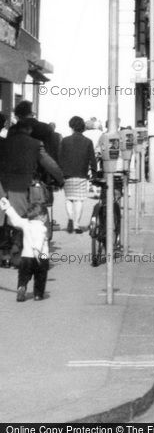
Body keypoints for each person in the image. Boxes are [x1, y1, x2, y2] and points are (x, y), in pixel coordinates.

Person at [0, 120, 64, 266]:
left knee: (3, 219)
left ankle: (4, 254)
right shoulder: (35, 144)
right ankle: (16, 250)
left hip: (2, 186)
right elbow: (49, 163)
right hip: (22, 187)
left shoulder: (3, 143)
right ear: (27, 131)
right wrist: (60, 178)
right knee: (22, 217)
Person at [0, 197, 49, 301]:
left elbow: (15, 220)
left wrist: (7, 208)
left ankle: (21, 287)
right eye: (45, 216)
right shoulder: (42, 227)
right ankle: (38, 294)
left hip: (26, 256)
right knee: (40, 276)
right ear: (41, 216)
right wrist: (38, 253)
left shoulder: (26, 223)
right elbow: (38, 241)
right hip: (40, 256)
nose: (46, 219)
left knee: (23, 275)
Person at [58, 116, 97, 233]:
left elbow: (60, 158)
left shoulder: (64, 141)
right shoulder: (88, 142)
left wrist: (60, 173)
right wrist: (94, 173)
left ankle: (70, 217)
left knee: (69, 199)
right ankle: (76, 224)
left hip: (67, 174)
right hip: (81, 174)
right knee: (79, 200)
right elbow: (92, 159)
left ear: (71, 127)